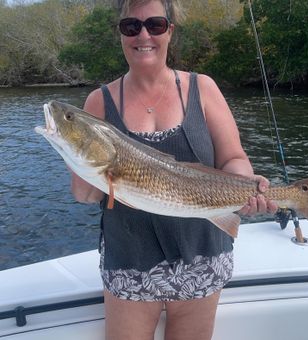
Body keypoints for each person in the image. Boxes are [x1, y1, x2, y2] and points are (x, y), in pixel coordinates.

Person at [70, 0, 278, 339]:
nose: (143, 35)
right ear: (120, 34)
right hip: (129, 261)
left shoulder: (203, 88)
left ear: (170, 30)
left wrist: (246, 185)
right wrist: (74, 149)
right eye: (130, 26)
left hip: (203, 254)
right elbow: (85, 194)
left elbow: (232, 158)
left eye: (155, 24)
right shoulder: (99, 101)